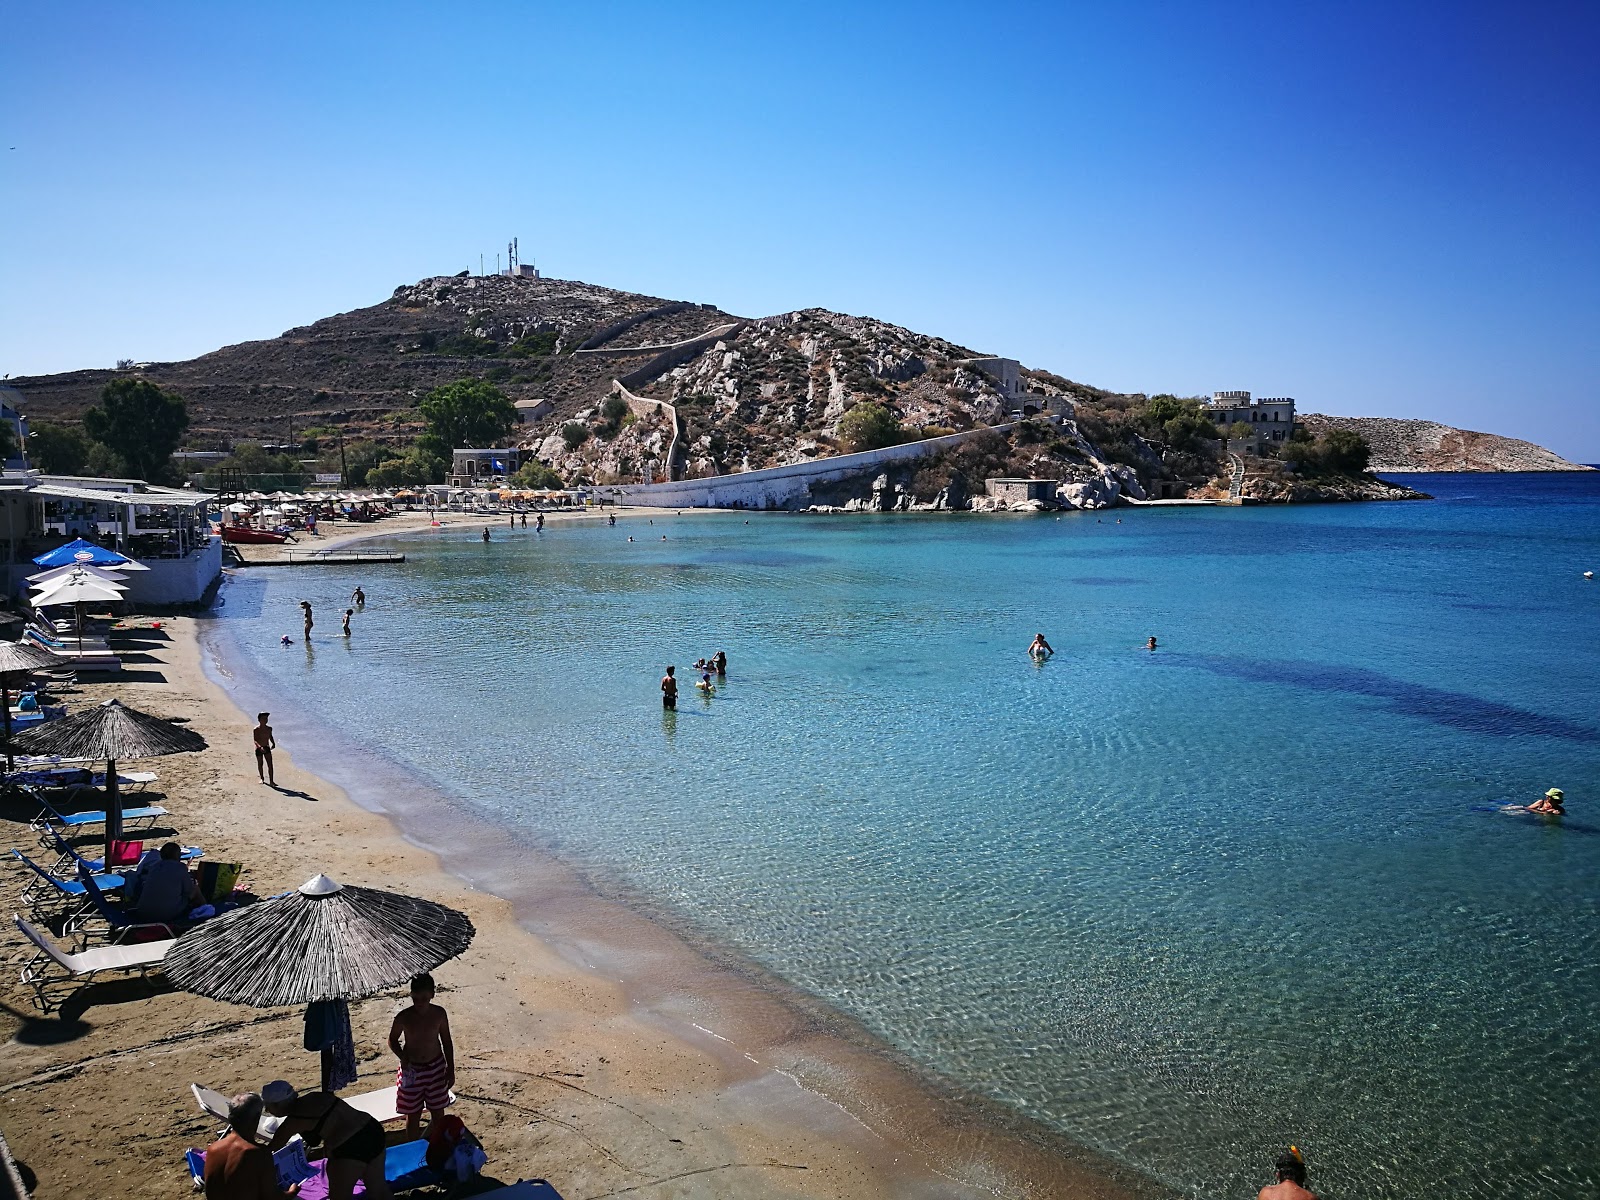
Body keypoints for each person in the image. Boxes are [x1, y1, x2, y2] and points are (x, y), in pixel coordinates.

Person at [263, 1081, 390, 1200]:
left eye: (267, 1107)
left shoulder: (293, 1122)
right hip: (371, 1129)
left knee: (339, 1197)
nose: (267, 1111)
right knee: (379, 1191)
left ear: (278, 1104)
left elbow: (272, 1148)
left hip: (350, 1146)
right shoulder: (316, 1096)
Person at [388, 973, 455, 1140]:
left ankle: (439, 1146)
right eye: (416, 998)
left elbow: (446, 1041)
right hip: (412, 1071)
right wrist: (402, 1056)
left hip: (436, 1068)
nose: (419, 1003)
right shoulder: (403, 1017)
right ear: (411, 995)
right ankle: (413, 1149)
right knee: (413, 1114)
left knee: (438, 1112)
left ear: (432, 994)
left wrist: (451, 1069)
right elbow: (392, 1040)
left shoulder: (439, 1014)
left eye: (424, 998)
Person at [203, 1093, 298, 1199]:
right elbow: (272, 1197)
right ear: (256, 1118)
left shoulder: (213, 1148)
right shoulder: (258, 1154)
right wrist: (292, 1192)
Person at [130, 842, 201, 925]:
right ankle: (207, 912)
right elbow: (188, 891)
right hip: (167, 915)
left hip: (143, 913)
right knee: (195, 889)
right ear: (178, 856)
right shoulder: (180, 867)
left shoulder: (154, 867)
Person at [254, 713, 276, 785]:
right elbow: (255, 740)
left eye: (266, 719)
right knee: (260, 764)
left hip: (266, 747)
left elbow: (270, 736)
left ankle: (271, 781)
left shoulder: (269, 728)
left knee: (270, 765)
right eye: (263, 719)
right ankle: (262, 778)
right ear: (259, 720)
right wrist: (260, 747)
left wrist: (273, 743)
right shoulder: (256, 729)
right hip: (258, 748)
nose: (265, 720)